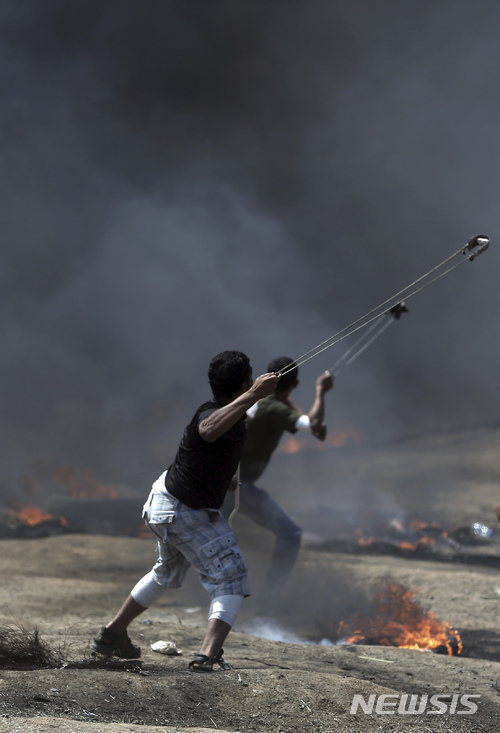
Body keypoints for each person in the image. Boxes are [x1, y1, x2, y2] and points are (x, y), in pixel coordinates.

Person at [91, 351, 278, 672]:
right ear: (245, 382)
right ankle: (207, 656)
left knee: (166, 573)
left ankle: (111, 636)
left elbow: (212, 448)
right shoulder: (211, 413)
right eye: (249, 382)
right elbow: (207, 431)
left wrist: (227, 477)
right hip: (182, 510)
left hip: (165, 502)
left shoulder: (232, 416)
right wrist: (253, 395)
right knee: (231, 578)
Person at [235, 356, 333, 596]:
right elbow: (314, 423)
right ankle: (270, 599)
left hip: (226, 480)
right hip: (238, 485)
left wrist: (311, 425)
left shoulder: (263, 399)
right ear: (295, 384)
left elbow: (304, 419)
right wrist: (320, 392)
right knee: (290, 534)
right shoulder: (274, 408)